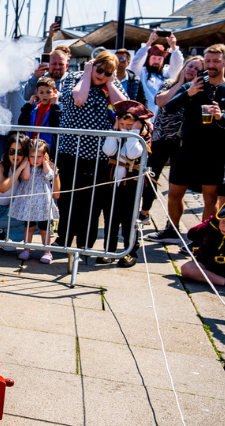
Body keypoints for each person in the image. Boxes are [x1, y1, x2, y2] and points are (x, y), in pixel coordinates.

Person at [148, 44, 225, 244]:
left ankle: (203, 238)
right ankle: (172, 230)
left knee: (210, 197)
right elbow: (168, 108)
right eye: (208, 60)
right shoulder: (193, 85)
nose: (211, 65)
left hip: (215, 152)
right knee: (175, 193)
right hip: (186, 149)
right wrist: (189, 92)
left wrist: (222, 117)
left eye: (216, 61)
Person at [55, 51, 128, 252]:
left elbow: (124, 109)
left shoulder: (111, 83)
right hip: (71, 151)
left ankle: (86, 243)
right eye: (100, 69)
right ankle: (63, 239)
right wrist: (87, 74)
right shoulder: (74, 77)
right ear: (92, 65)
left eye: (107, 72)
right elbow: (78, 99)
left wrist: (111, 83)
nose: (102, 74)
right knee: (68, 198)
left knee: (92, 202)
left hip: (100, 155)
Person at [138, 56, 203, 226]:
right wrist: (180, 83)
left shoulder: (201, 90)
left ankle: (171, 224)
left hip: (181, 144)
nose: (192, 70)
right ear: (183, 67)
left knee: (176, 186)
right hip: (161, 139)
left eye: (197, 68)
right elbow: (160, 102)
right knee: (151, 178)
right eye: (190, 66)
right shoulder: (169, 83)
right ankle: (144, 212)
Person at [101, 100, 153, 267]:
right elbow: (108, 150)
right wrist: (115, 131)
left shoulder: (142, 136)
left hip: (131, 184)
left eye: (129, 124)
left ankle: (130, 252)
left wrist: (134, 134)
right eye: (122, 123)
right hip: (113, 183)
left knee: (129, 220)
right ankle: (109, 250)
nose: (125, 128)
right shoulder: (118, 132)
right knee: (111, 218)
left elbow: (132, 154)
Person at [10, 138, 60, 263]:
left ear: (45, 156)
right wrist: (27, 162)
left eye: (39, 156)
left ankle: (47, 252)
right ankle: (27, 249)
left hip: (43, 202)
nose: (35, 160)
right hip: (29, 202)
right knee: (29, 227)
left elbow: (49, 175)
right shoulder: (28, 167)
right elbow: (26, 176)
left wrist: (45, 163)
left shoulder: (45, 167)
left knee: (44, 228)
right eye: (32, 156)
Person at [180, 195, 225, 291]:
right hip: (208, 264)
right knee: (187, 269)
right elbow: (192, 235)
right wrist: (211, 224)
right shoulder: (214, 225)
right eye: (224, 222)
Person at [129, 32, 183, 119]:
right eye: (154, 58)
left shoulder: (167, 72)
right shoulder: (141, 72)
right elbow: (136, 62)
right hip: (143, 118)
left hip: (163, 119)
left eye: (159, 59)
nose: (156, 61)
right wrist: (149, 42)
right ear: (148, 58)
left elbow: (178, 66)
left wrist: (173, 46)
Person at [18, 77, 61, 151]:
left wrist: (55, 107)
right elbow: (22, 123)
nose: (44, 95)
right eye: (41, 92)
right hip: (31, 146)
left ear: (55, 93)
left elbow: (56, 124)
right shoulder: (34, 107)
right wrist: (28, 105)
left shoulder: (58, 107)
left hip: (48, 147)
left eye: (48, 92)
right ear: (37, 93)